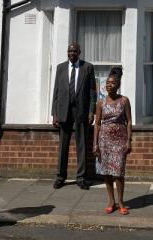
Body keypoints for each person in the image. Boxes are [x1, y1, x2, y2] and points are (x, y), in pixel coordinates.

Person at [51, 43, 97, 190]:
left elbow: (92, 92)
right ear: (67, 52)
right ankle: (60, 176)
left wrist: (91, 111)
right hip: (64, 110)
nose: (72, 53)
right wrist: (55, 113)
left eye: (75, 51)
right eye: (70, 51)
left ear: (79, 52)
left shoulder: (87, 67)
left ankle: (81, 177)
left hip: (81, 110)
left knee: (82, 144)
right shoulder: (61, 68)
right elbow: (56, 92)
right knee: (63, 145)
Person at [93, 67, 132, 215]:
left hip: (120, 141)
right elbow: (97, 123)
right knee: (107, 173)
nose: (109, 85)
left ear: (118, 84)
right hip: (104, 141)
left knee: (119, 173)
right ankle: (111, 201)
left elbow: (129, 121)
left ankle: (121, 202)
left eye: (112, 83)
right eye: (107, 83)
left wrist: (129, 140)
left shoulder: (124, 101)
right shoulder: (101, 103)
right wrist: (95, 144)